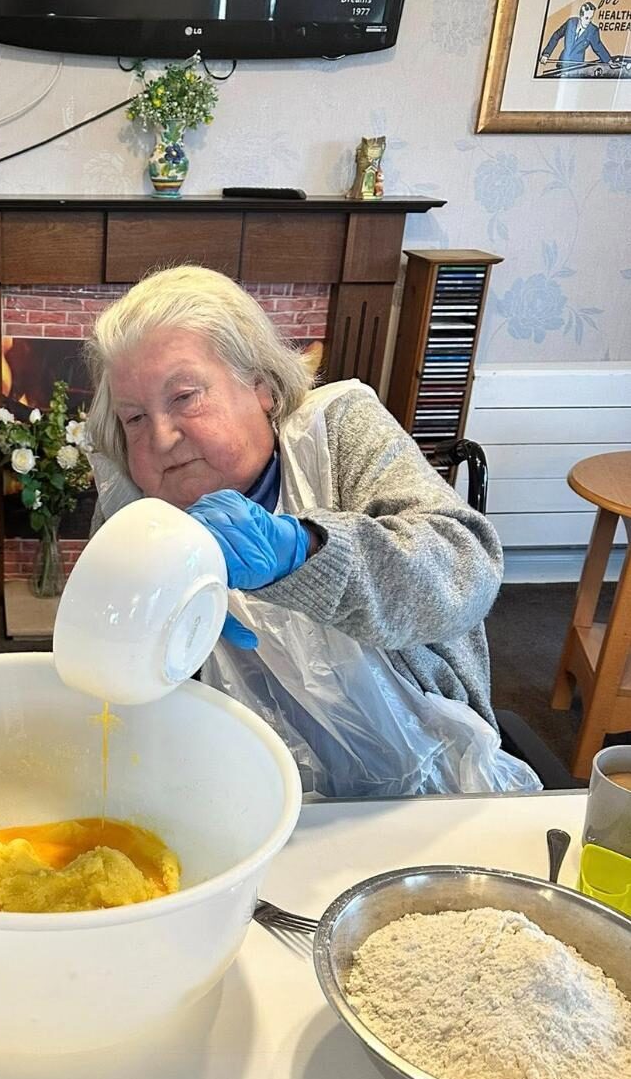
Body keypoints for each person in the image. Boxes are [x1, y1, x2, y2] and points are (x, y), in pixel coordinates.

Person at [84, 265, 538, 798]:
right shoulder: (133, 505)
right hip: (233, 791)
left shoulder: (337, 432)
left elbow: (466, 571)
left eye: (184, 397)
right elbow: (108, 673)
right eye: (135, 418)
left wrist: (305, 550)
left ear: (260, 386)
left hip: (427, 788)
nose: (161, 437)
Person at [540, 1, 617, 70]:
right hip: (562, 63)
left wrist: (609, 61)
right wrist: (546, 54)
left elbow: (598, 47)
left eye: (591, 18)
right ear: (580, 16)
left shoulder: (593, 30)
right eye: (586, 18)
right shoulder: (571, 22)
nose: (588, 21)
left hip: (577, 67)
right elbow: (556, 36)